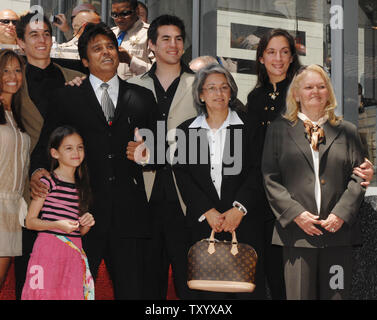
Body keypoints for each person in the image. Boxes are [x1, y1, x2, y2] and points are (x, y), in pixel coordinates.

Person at [30, 22, 158, 300]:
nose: (106, 53)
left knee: (133, 292)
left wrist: (148, 154)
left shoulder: (143, 98)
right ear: (85, 60)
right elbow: (45, 146)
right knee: (73, 291)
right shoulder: (66, 96)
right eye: (97, 49)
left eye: (110, 46)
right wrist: (38, 172)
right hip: (79, 213)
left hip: (129, 216)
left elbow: (159, 151)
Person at [247, 28, 374, 300]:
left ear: (329, 92)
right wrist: (296, 214)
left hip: (338, 233)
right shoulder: (279, 129)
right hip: (296, 233)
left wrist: (341, 214)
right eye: (308, 87)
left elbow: (359, 177)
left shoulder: (348, 130)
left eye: (321, 86)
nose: (315, 91)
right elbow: (270, 176)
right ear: (297, 95)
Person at [172, 63, 266, 299]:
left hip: (245, 225)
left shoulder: (250, 126)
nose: (218, 93)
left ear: (231, 92)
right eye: (211, 88)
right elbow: (183, 175)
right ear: (201, 95)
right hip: (204, 226)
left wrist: (239, 208)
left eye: (224, 87)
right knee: (207, 296)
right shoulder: (187, 131)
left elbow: (259, 170)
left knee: (246, 292)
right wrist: (207, 211)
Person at [14, 12, 84, 299]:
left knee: (66, 275)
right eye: (33, 35)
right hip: (27, 185)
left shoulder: (76, 78)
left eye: (45, 33)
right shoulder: (12, 79)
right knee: (30, 271)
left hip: (69, 187)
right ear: (20, 42)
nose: (41, 39)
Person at [127, 14, 197, 299]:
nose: (173, 44)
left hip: (188, 197)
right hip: (145, 195)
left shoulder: (202, 86)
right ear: (152, 45)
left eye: (179, 39)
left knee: (189, 282)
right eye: (165, 39)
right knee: (148, 282)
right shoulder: (132, 86)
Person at [22, 126, 95, 300]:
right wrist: (57, 224)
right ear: (55, 153)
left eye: (80, 147)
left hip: (73, 251)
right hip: (48, 251)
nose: (76, 152)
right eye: (68, 148)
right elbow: (30, 221)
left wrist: (86, 224)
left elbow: (79, 231)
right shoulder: (48, 181)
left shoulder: (82, 187)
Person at [0, 50, 30, 291]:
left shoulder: (17, 114)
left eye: (17, 70)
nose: (12, 76)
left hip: (14, 208)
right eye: (5, 70)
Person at [111, 0, 153, 80]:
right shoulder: (111, 33)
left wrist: (130, 60)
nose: (119, 19)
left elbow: (159, 73)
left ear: (136, 11)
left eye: (124, 14)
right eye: (115, 15)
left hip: (138, 89)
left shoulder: (150, 34)